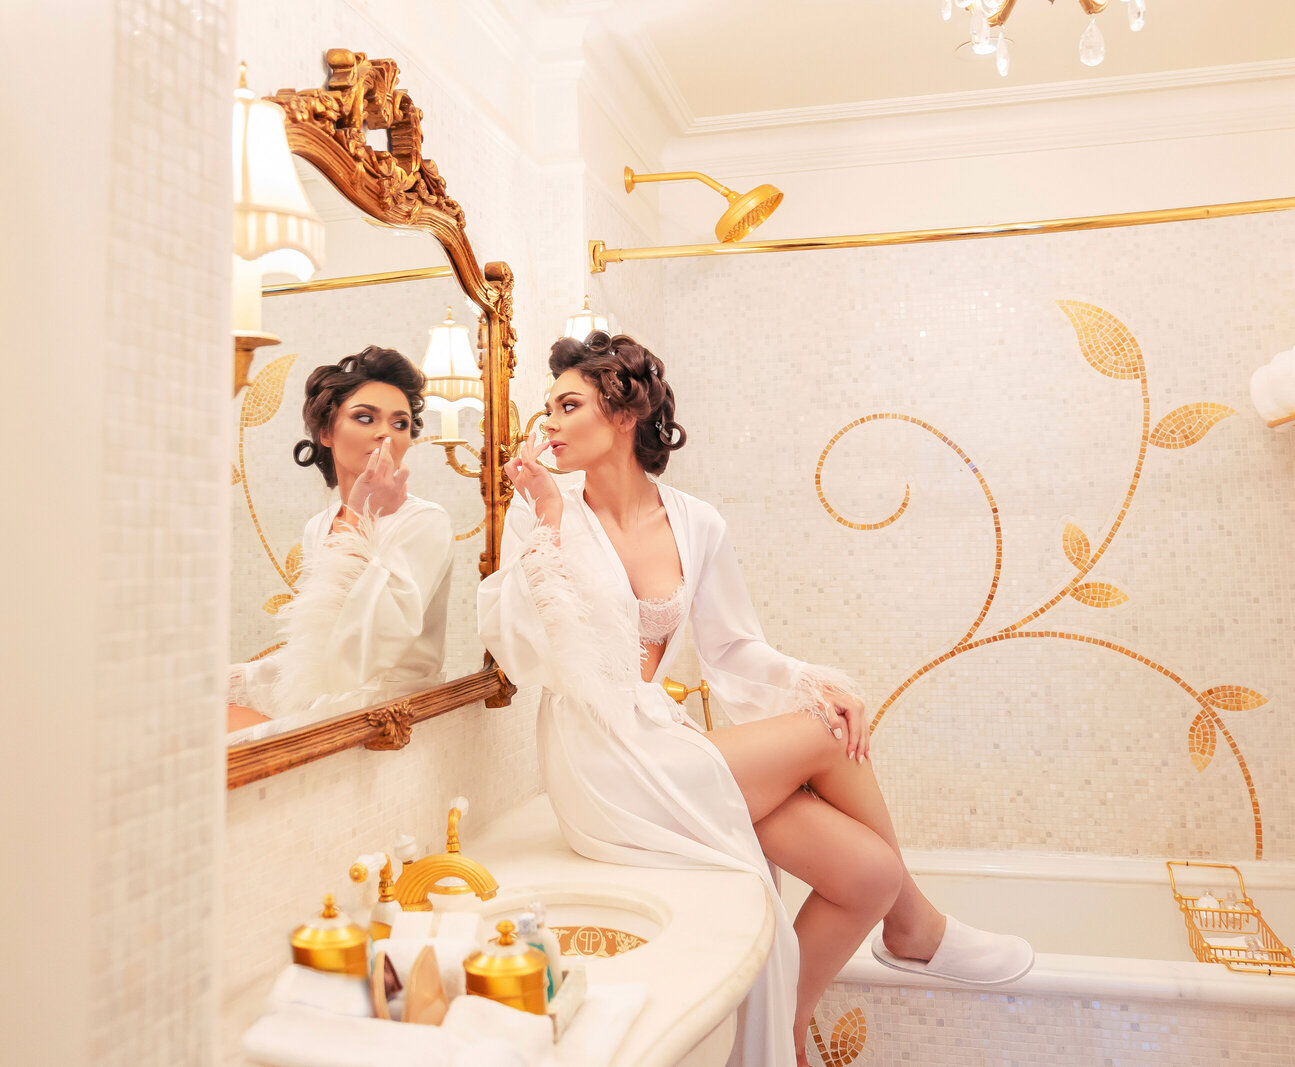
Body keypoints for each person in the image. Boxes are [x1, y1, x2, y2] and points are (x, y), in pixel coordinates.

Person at [478, 331, 1032, 1066]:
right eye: (546, 407)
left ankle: (789, 1023)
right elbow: (526, 649)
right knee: (828, 736)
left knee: (867, 873)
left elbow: (734, 649)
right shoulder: (545, 511)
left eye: (567, 404)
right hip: (599, 758)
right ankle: (918, 929)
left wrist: (813, 679)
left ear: (625, 413)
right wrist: (544, 515)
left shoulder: (696, 521)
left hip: (662, 741)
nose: (546, 422)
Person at [228, 346, 453, 740]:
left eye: (401, 424)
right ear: (326, 433)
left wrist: (366, 516)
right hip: (327, 700)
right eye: (365, 418)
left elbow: (369, 649)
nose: (386, 433)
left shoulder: (424, 522)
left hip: (385, 716)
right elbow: (318, 640)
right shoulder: (320, 526)